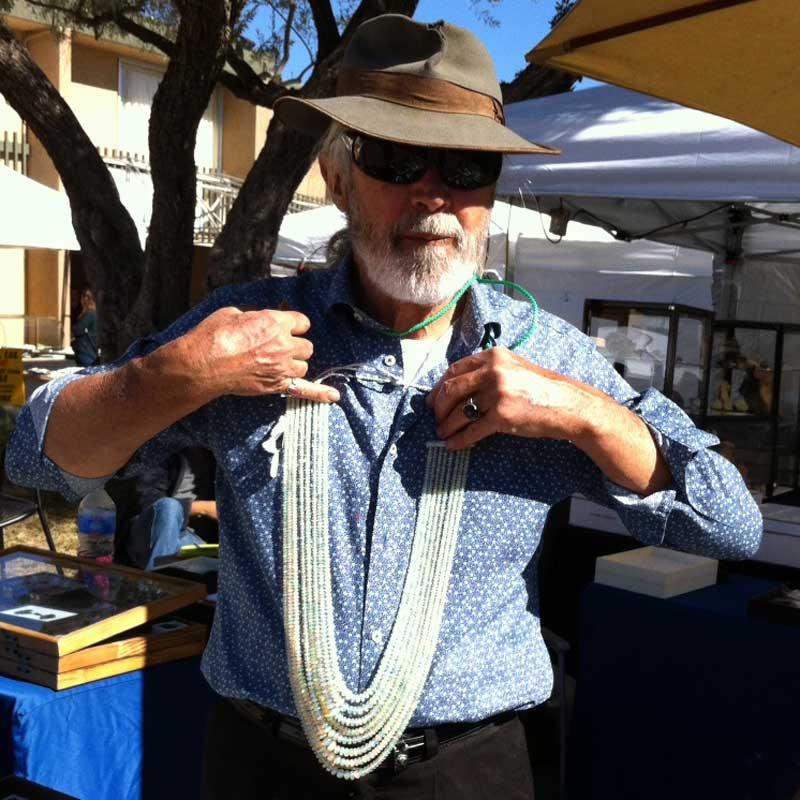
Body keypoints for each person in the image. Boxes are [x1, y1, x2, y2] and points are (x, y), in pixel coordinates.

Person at [6, 15, 762, 800]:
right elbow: (42, 456)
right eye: (396, 159)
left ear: (492, 193)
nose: (432, 192)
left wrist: (585, 414)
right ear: (337, 178)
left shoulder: (553, 360)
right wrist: (171, 377)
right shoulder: (244, 331)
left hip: (465, 772)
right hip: (264, 767)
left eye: (467, 166)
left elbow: (729, 523)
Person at [71, 288, 98, 367]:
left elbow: (78, 329)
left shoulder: (90, 314)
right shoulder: (93, 313)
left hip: (86, 352)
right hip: (90, 351)